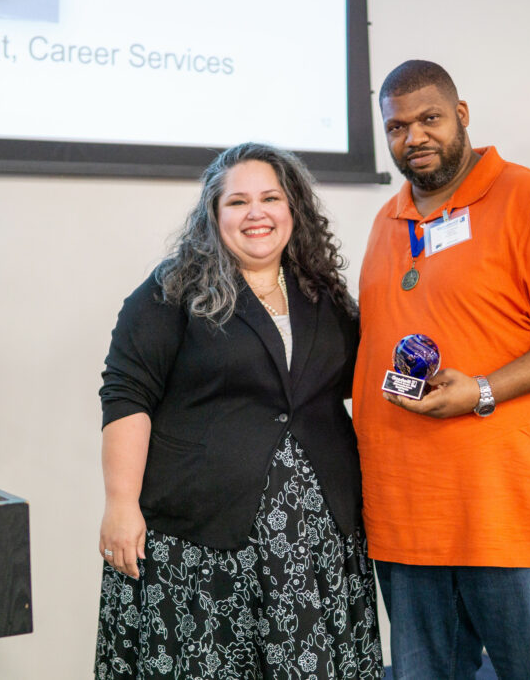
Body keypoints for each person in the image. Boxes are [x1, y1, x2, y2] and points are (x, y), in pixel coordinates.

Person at [352, 60, 530, 679]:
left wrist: (483, 389)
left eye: (430, 119)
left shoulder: (527, 199)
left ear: (463, 116)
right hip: (409, 520)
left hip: (516, 519)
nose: (414, 137)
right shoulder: (387, 222)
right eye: (397, 127)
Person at [94, 142, 382, 679]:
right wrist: (120, 504)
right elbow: (127, 394)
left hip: (314, 543)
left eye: (271, 198)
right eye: (238, 201)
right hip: (204, 540)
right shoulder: (171, 291)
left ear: (293, 209)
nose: (257, 213)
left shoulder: (323, 293)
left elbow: (358, 380)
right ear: (214, 214)